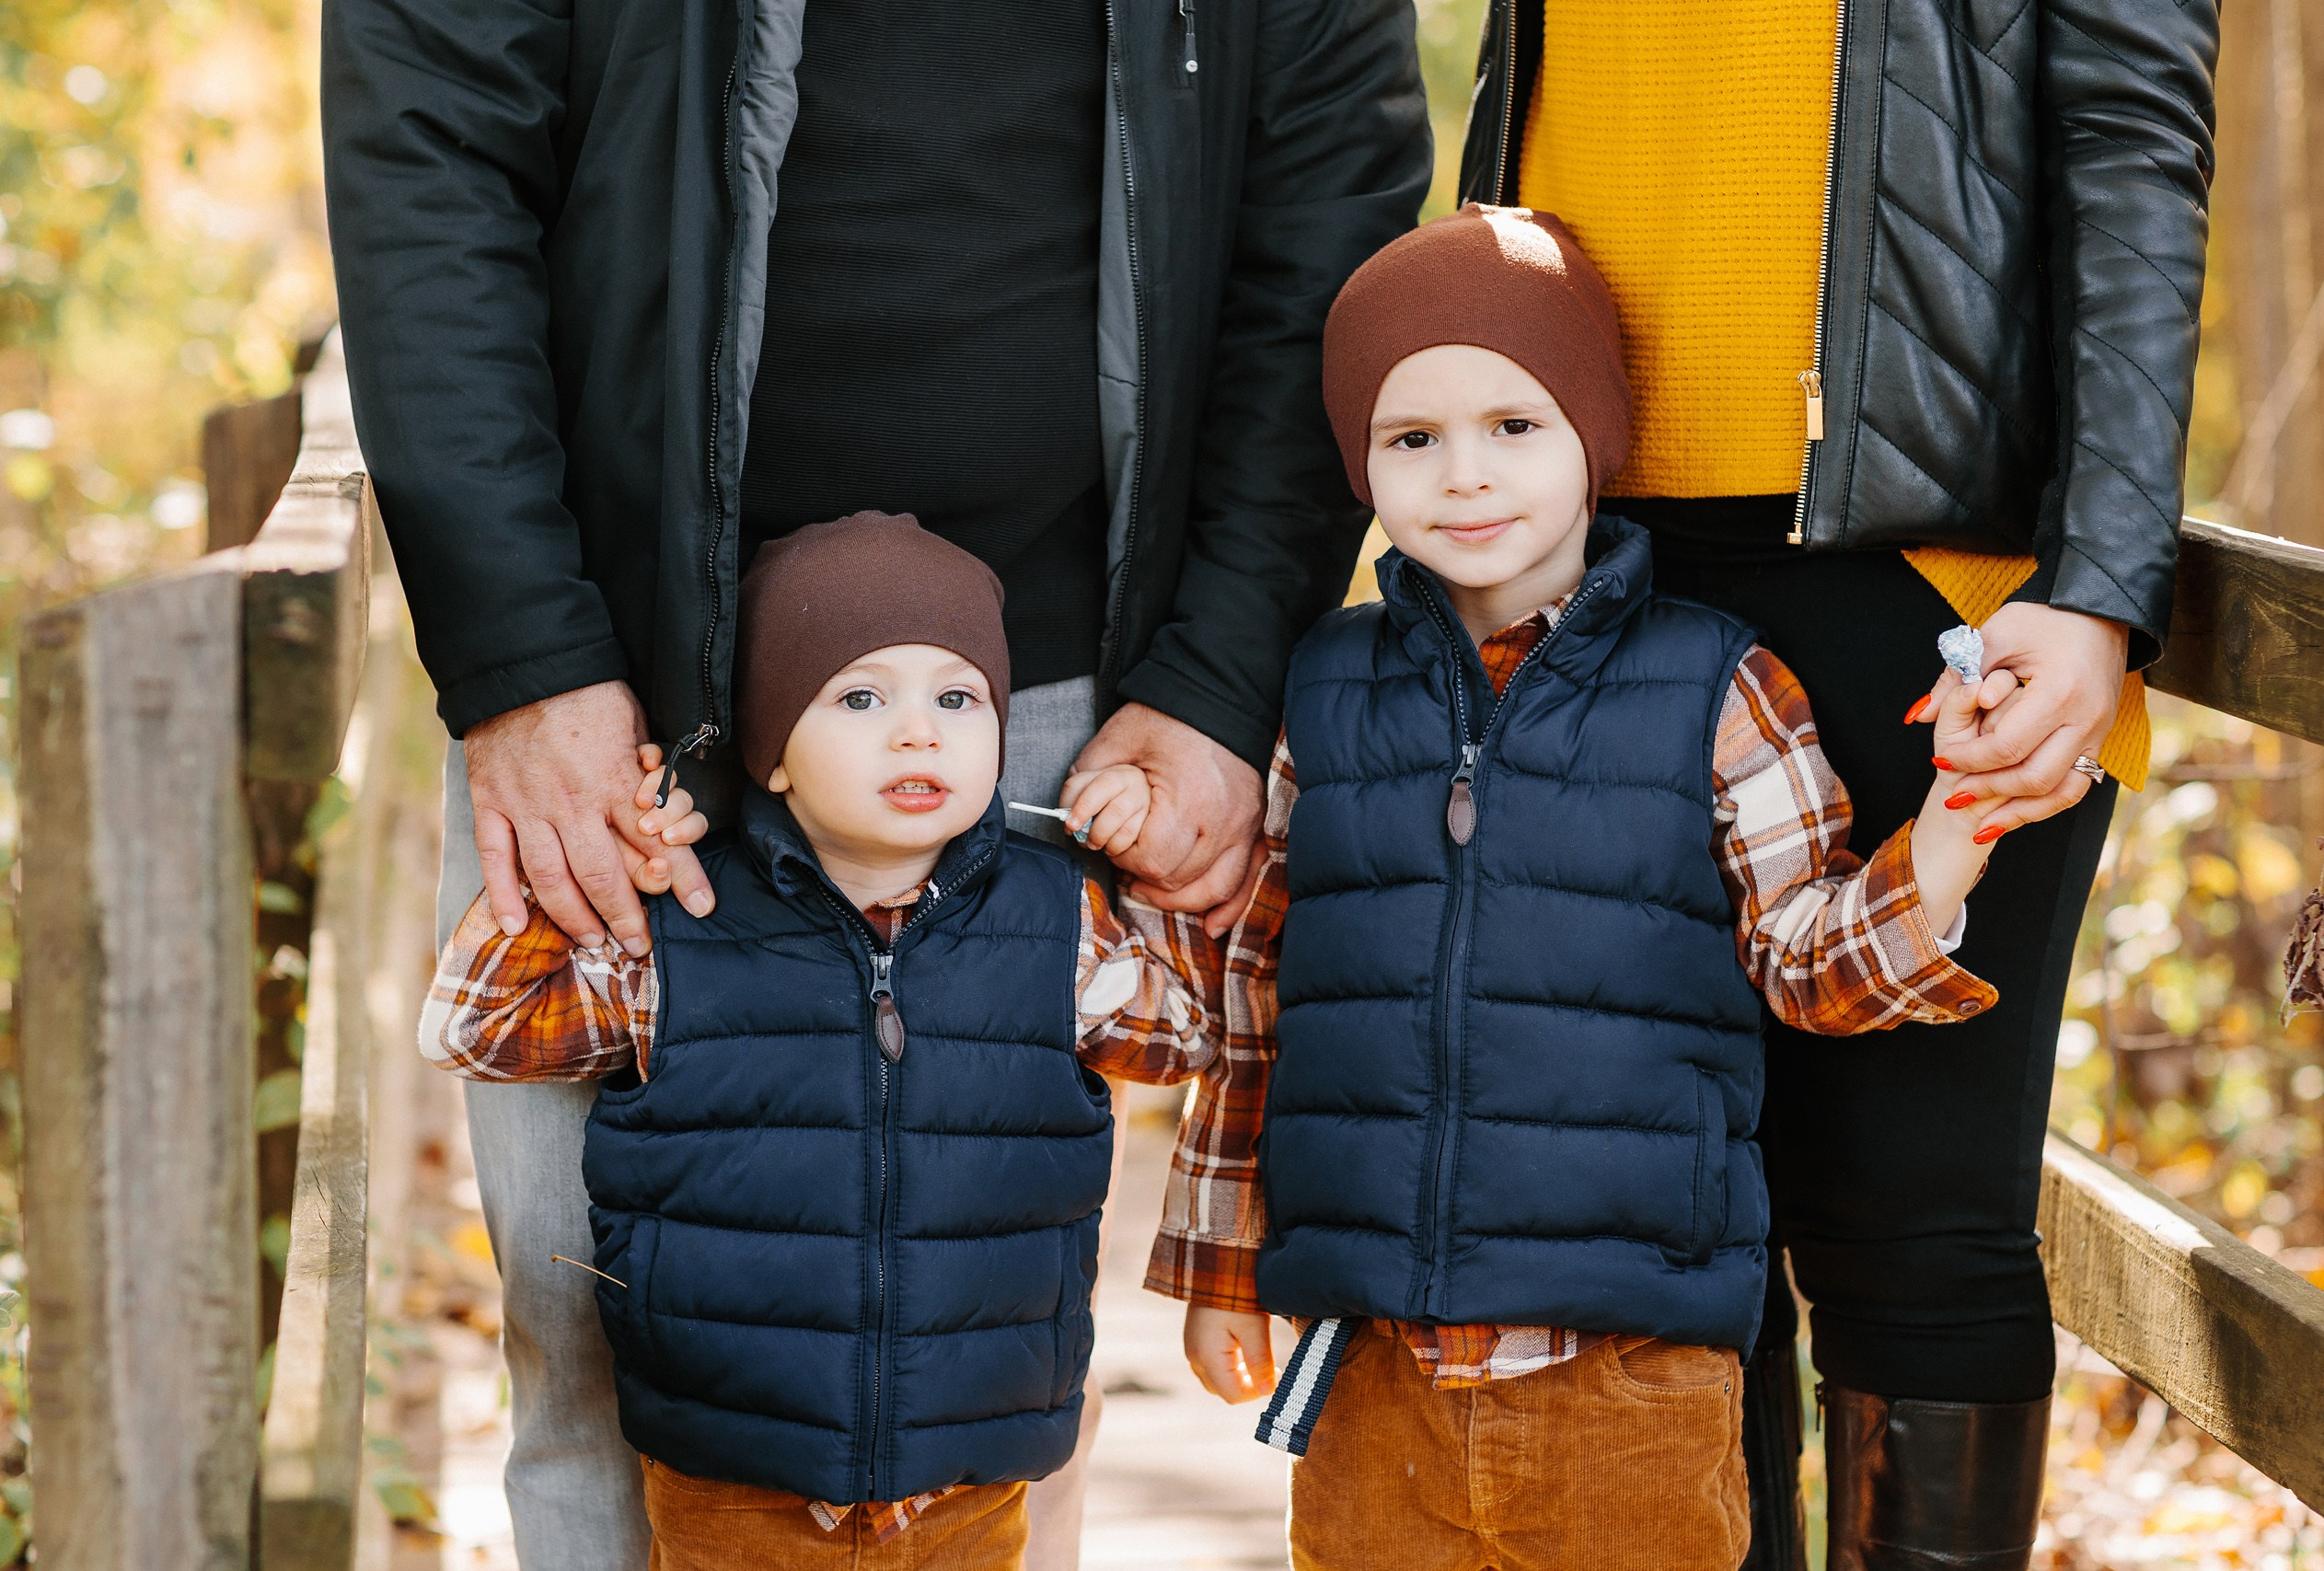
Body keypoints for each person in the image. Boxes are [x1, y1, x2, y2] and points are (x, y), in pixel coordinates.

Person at [321, 2, 1430, 1562]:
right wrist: (522, 653)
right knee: (592, 1342)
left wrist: (1220, 676)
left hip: (1050, 702)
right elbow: (431, 150)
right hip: (622, 687)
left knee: (996, 1367)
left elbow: (1325, 208)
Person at [1451, 4, 2219, 1563]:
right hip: (1583, 556)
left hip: (1934, 571)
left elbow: (2135, 135)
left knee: (1915, 1225)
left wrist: (2099, 580)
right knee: (1654, 1242)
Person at [1154, 206, 2017, 1571]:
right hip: (1372, 1368)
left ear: (1594, 438)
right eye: (1411, 438)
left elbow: (1806, 960)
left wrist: (1959, 821)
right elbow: (1259, 993)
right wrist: (1217, 1265)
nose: (1465, 474)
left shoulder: (1717, 683)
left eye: (1516, 424)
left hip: (1630, 1370)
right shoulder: (1323, 688)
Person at [419, 514, 1215, 1570]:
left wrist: (1153, 862)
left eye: (957, 699)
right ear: (773, 758)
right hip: (729, 1470)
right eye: (860, 699)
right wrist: (604, 861)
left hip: (967, 1469)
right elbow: (478, 1028)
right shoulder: (682, 929)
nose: (918, 733)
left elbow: (1183, 1035)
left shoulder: (1057, 924)